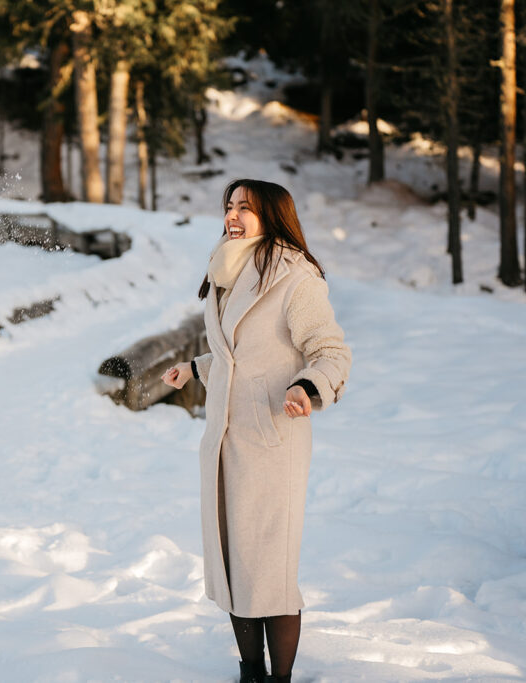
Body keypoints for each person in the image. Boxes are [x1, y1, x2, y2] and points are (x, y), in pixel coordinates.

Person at [162, 179, 351, 683]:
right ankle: (250, 672)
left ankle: (280, 679)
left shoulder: (295, 276)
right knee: (233, 565)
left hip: (272, 439)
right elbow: (237, 353)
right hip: (225, 440)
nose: (233, 215)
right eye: (229, 206)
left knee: (270, 574)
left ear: (272, 214)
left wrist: (308, 388)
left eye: (245, 207)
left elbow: (330, 351)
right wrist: (197, 368)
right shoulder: (228, 266)